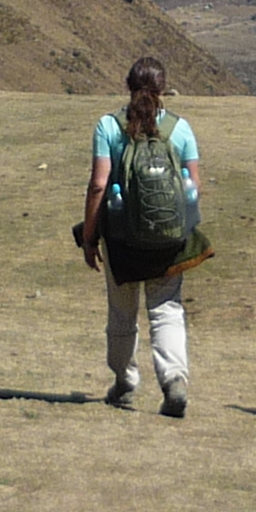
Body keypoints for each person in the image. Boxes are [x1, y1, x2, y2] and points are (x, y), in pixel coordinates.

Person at [76, 54, 201, 419]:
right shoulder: (180, 128)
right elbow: (194, 186)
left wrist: (89, 237)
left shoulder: (108, 126)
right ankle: (174, 379)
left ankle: (125, 380)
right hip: (170, 240)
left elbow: (99, 184)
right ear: (163, 89)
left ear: (128, 86)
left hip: (122, 239)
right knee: (166, 311)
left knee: (122, 314)